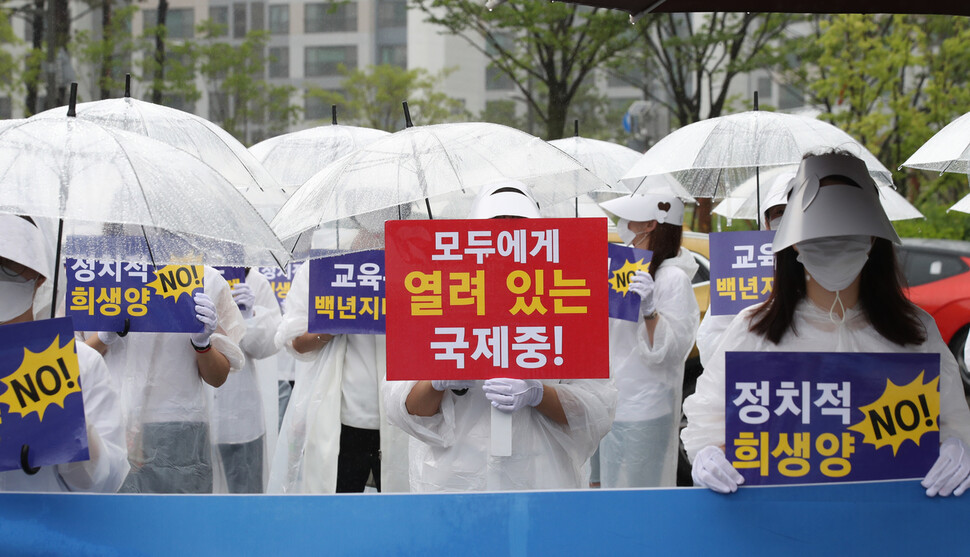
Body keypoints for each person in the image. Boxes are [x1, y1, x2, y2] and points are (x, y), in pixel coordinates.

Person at [682, 152, 970, 496]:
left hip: (888, 528)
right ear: (793, 241)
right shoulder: (752, 329)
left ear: (873, 235)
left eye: (847, 227)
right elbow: (706, 425)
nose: (833, 240)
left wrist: (959, 448)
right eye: (818, 229)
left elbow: (954, 422)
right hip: (781, 530)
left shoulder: (916, 331)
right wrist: (708, 456)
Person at [383, 182, 617, 491]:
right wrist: (437, 381)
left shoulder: (568, 302)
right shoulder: (435, 301)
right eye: (493, 234)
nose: (506, 246)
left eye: (521, 235)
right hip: (453, 483)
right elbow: (402, 407)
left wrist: (538, 394)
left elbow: (596, 411)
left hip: (542, 479)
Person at [269, 207, 410, 494]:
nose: (378, 221)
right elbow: (295, 341)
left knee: (399, 511)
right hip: (341, 419)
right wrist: (334, 321)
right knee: (338, 511)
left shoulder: (413, 264)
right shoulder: (324, 267)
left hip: (403, 414)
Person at [86, 265, 245, 494]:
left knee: (177, 522)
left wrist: (203, 344)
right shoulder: (95, 274)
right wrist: (103, 336)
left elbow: (218, 377)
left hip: (177, 431)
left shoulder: (204, 278)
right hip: (106, 422)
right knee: (112, 522)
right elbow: (70, 363)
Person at [0, 214, 128, 492]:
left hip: (49, 526)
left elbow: (107, 481)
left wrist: (76, 431)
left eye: (6, 266)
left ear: (37, 277)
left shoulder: (80, 363)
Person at [595, 193, 700, 487]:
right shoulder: (623, 267)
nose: (622, 225)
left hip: (645, 408)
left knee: (642, 494)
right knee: (608, 492)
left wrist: (650, 311)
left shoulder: (673, 279)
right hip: (610, 402)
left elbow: (671, 350)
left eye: (629, 219)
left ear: (650, 224)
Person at [695, 171, 793, 370]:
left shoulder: (824, 267)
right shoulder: (741, 271)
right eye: (780, 211)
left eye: (795, 210)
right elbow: (710, 348)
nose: (788, 218)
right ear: (766, 221)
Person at [205, 268, 282, 492]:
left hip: (240, 412)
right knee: (200, 497)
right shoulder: (189, 275)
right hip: (198, 408)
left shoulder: (255, 281)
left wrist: (249, 318)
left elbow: (268, 345)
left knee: (246, 495)